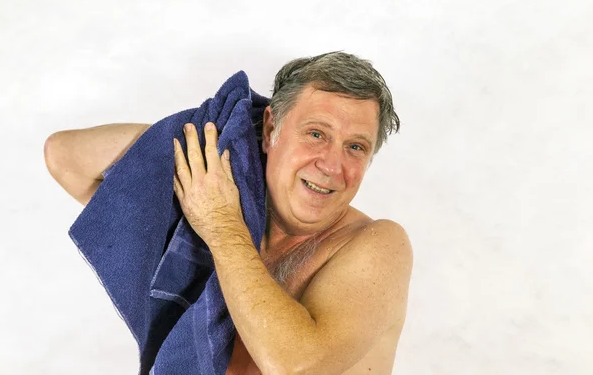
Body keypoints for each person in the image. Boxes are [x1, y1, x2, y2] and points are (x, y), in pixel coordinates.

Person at [44, 51, 413, 374]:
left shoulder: (378, 245)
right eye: (316, 134)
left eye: (355, 147)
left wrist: (222, 226)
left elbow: (294, 365)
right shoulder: (218, 201)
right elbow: (66, 158)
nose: (333, 165)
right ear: (270, 129)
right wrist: (215, 139)